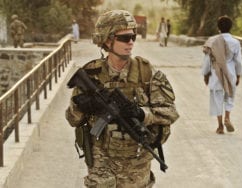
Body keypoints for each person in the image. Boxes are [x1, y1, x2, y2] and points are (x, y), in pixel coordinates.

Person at [65, 10, 179, 187]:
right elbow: (73, 120)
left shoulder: (147, 73)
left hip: (136, 166)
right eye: (124, 38)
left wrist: (142, 113)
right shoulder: (91, 74)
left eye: (133, 36)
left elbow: (170, 113)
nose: (131, 42)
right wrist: (82, 106)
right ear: (107, 40)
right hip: (102, 167)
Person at [201, 15, 242, 134]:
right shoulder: (235, 42)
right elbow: (238, 61)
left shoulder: (212, 41)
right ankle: (227, 118)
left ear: (218, 27)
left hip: (215, 73)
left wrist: (205, 74)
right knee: (229, 96)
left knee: (217, 98)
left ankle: (220, 126)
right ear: (231, 27)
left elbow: (207, 60)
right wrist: (238, 75)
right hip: (230, 73)